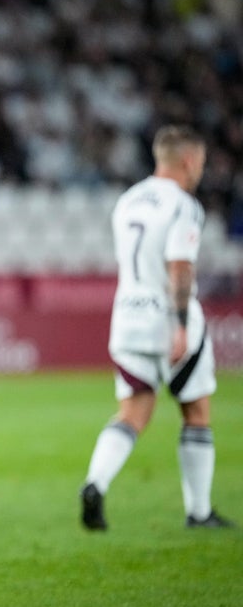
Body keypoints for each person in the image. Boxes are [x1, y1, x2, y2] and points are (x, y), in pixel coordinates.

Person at [81, 125, 231, 531]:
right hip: (167, 318)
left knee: (133, 411)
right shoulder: (184, 205)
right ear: (188, 161)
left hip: (127, 316)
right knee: (196, 410)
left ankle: (95, 482)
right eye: (199, 162)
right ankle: (199, 512)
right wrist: (181, 325)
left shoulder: (128, 200)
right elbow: (179, 266)